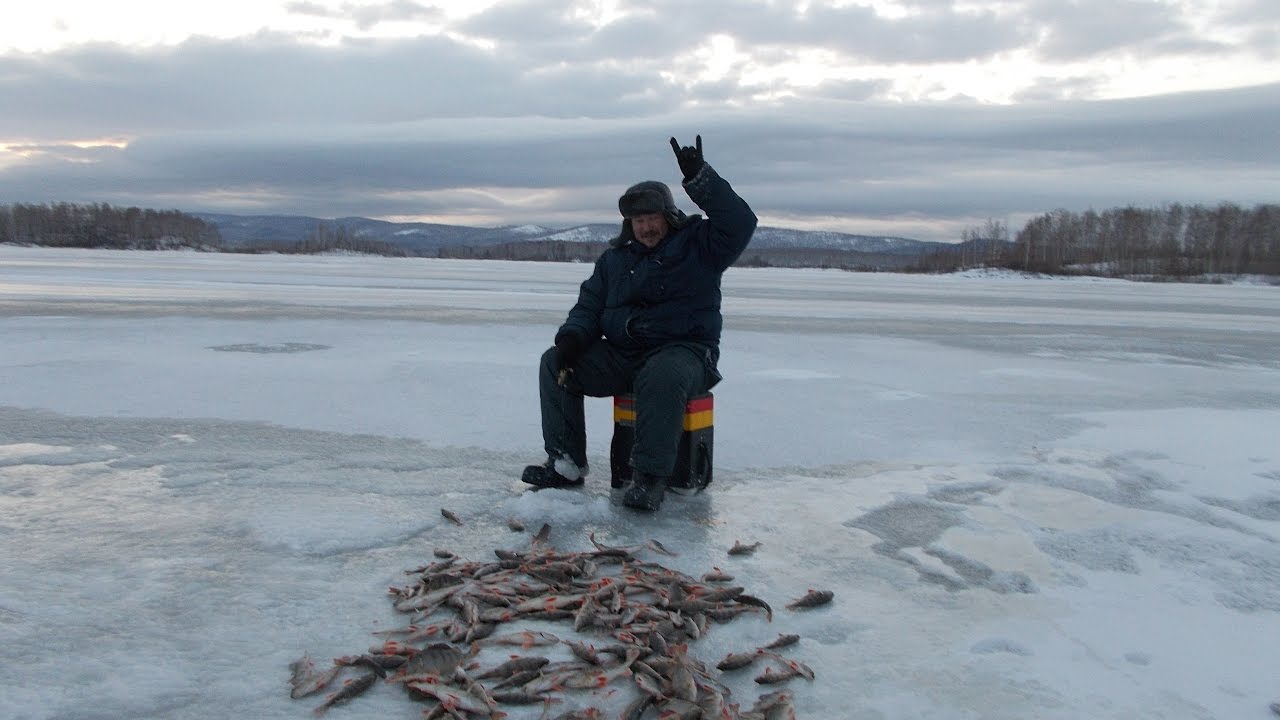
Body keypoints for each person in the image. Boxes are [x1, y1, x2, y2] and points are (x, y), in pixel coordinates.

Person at [521, 135, 757, 511]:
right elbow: (589, 305)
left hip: (686, 354)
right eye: (638, 220)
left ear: (668, 215)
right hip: (623, 355)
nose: (646, 227)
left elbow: (741, 222)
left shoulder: (700, 245)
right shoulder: (614, 260)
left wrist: (701, 180)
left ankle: (649, 478)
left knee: (661, 374)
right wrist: (571, 339)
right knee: (554, 363)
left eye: (652, 218)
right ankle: (565, 464)